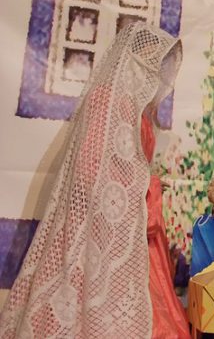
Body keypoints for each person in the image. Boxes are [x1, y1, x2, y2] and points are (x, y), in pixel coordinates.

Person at [0, 23, 188, 338]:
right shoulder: (107, 99)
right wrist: (141, 186)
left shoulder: (139, 112)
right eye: (154, 65)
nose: (158, 76)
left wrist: (146, 190)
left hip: (135, 223)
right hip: (102, 220)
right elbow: (90, 168)